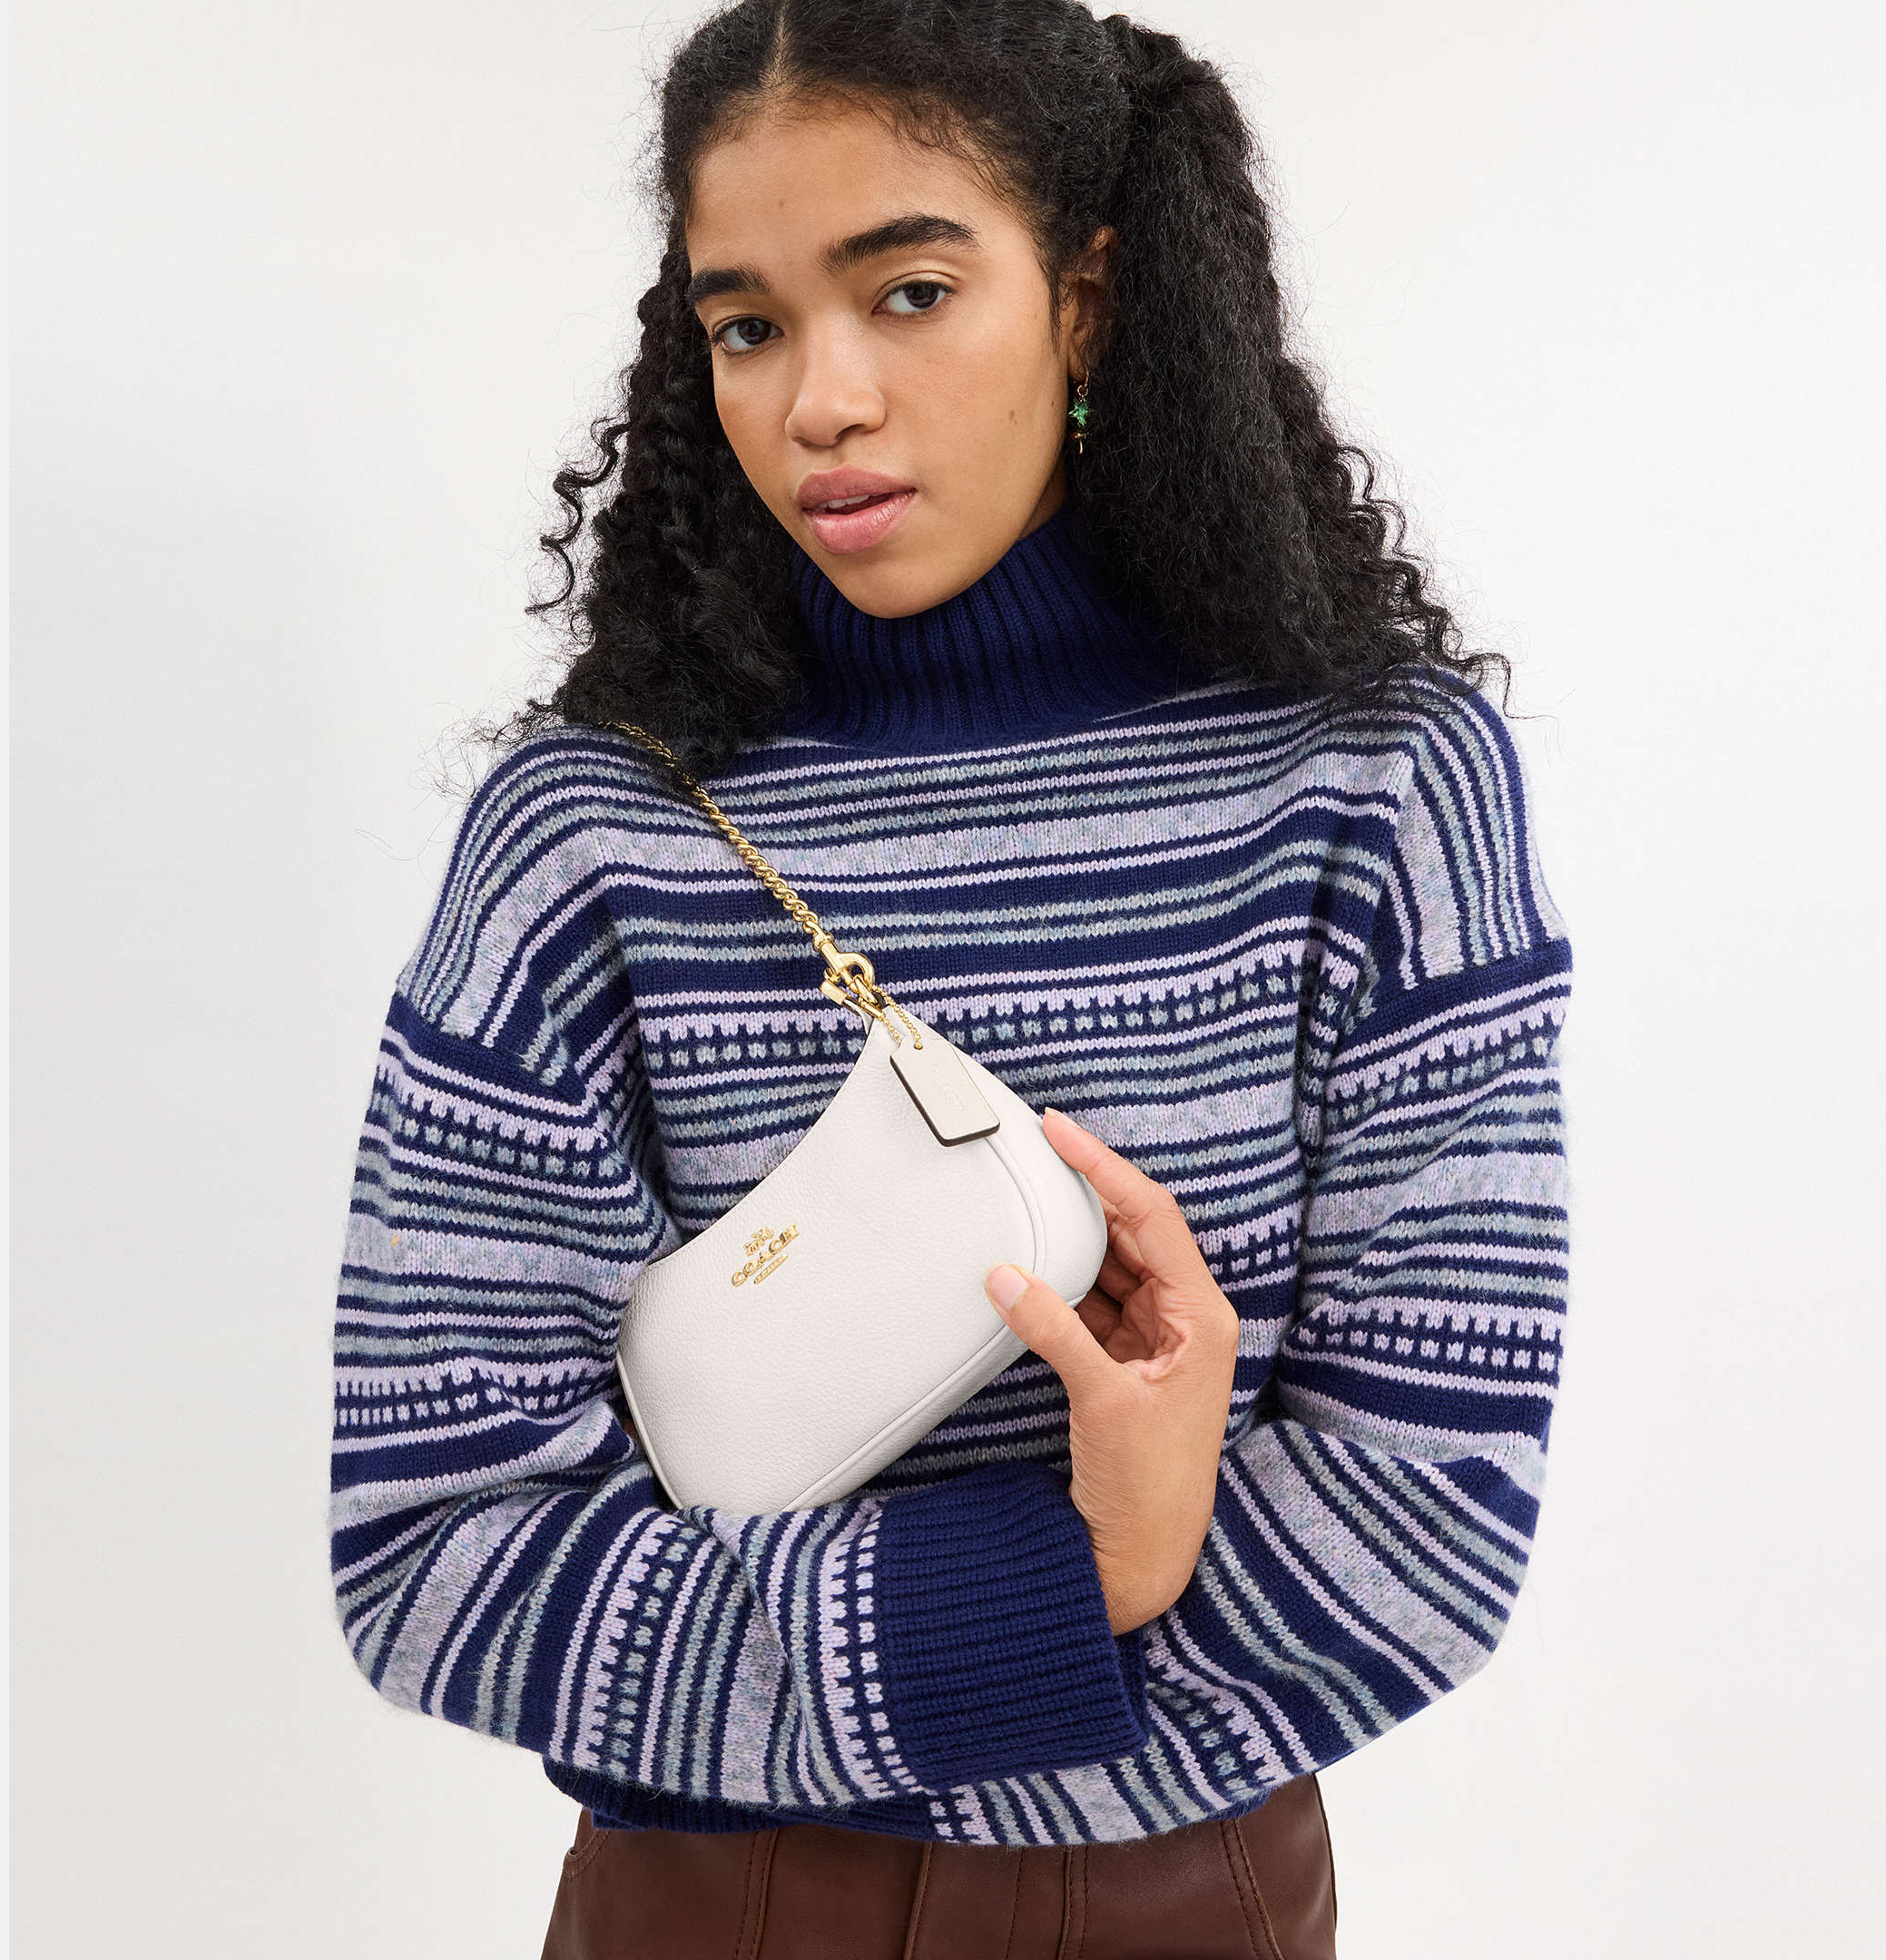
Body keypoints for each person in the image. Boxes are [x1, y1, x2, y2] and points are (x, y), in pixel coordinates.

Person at [325, 2, 1573, 1953]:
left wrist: (763, 1693)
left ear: (1086, 299)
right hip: (708, 1912)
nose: (819, 400)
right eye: (748, 324)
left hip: (1182, 1906)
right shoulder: (587, 839)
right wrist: (1074, 1580)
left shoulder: (1375, 789)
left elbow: (1429, 1519)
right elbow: (431, 1549)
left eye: (908, 292)